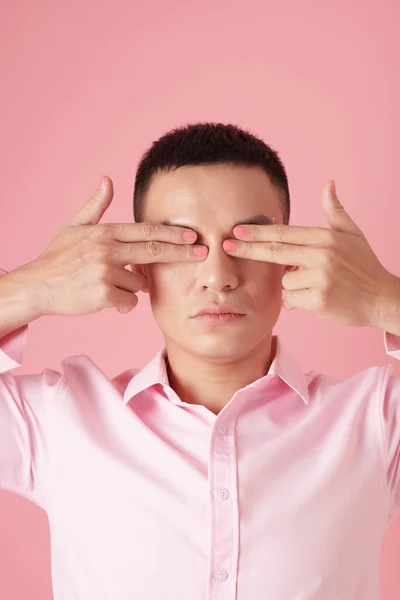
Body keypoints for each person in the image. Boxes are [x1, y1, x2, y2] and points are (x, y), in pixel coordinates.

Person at [0, 122, 399, 600]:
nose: (217, 276)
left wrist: (384, 298)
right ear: (139, 264)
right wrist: (29, 289)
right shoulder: (56, 420)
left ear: (291, 260)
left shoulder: (376, 420)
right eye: (181, 245)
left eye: (247, 243)